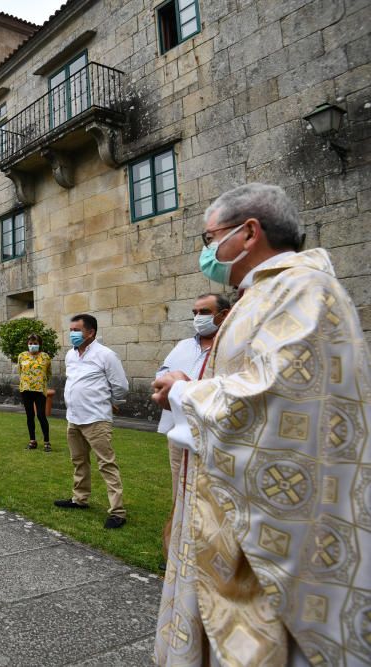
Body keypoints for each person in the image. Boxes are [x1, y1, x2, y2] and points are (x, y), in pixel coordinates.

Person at [151, 183, 371, 665]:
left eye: (209, 238)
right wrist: (195, 382)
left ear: (248, 233)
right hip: (224, 504)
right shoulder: (263, 293)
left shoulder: (304, 288)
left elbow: (277, 398)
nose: (206, 252)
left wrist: (185, 393)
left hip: (274, 527)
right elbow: (249, 380)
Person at [54, 314, 129, 530]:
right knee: (78, 461)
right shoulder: (70, 355)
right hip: (74, 417)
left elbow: (120, 386)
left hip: (96, 418)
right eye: (70, 330)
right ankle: (80, 498)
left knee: (106, 463)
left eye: (76, 330)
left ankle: (117, 511)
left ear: (91, 332)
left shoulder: (106, 355)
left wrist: (110, 401)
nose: (72, 334)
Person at [155, 293, 231, 501]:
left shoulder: (233, 346)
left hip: (214, 431)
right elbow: (162, 373)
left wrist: (187, 388)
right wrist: (166, 385)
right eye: (195, 313)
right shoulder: (183, 346)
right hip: (179, 427)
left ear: (224, 315)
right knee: (179, 483)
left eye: (205, 312)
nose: (198, 317)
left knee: (212, 492)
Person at [17, 333, 52, 451]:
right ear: (27, 344)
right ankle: (32, 441)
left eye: (35, 343)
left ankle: (47, 441)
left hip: (40, 390)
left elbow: (48, 373)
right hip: (26, 390)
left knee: (41, 415)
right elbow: (20, 371)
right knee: (29, 416)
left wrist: (40, 381)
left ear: (40, 344)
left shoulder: (45, 357)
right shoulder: (21, 356)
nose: (32, 345)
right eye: (30, 343)